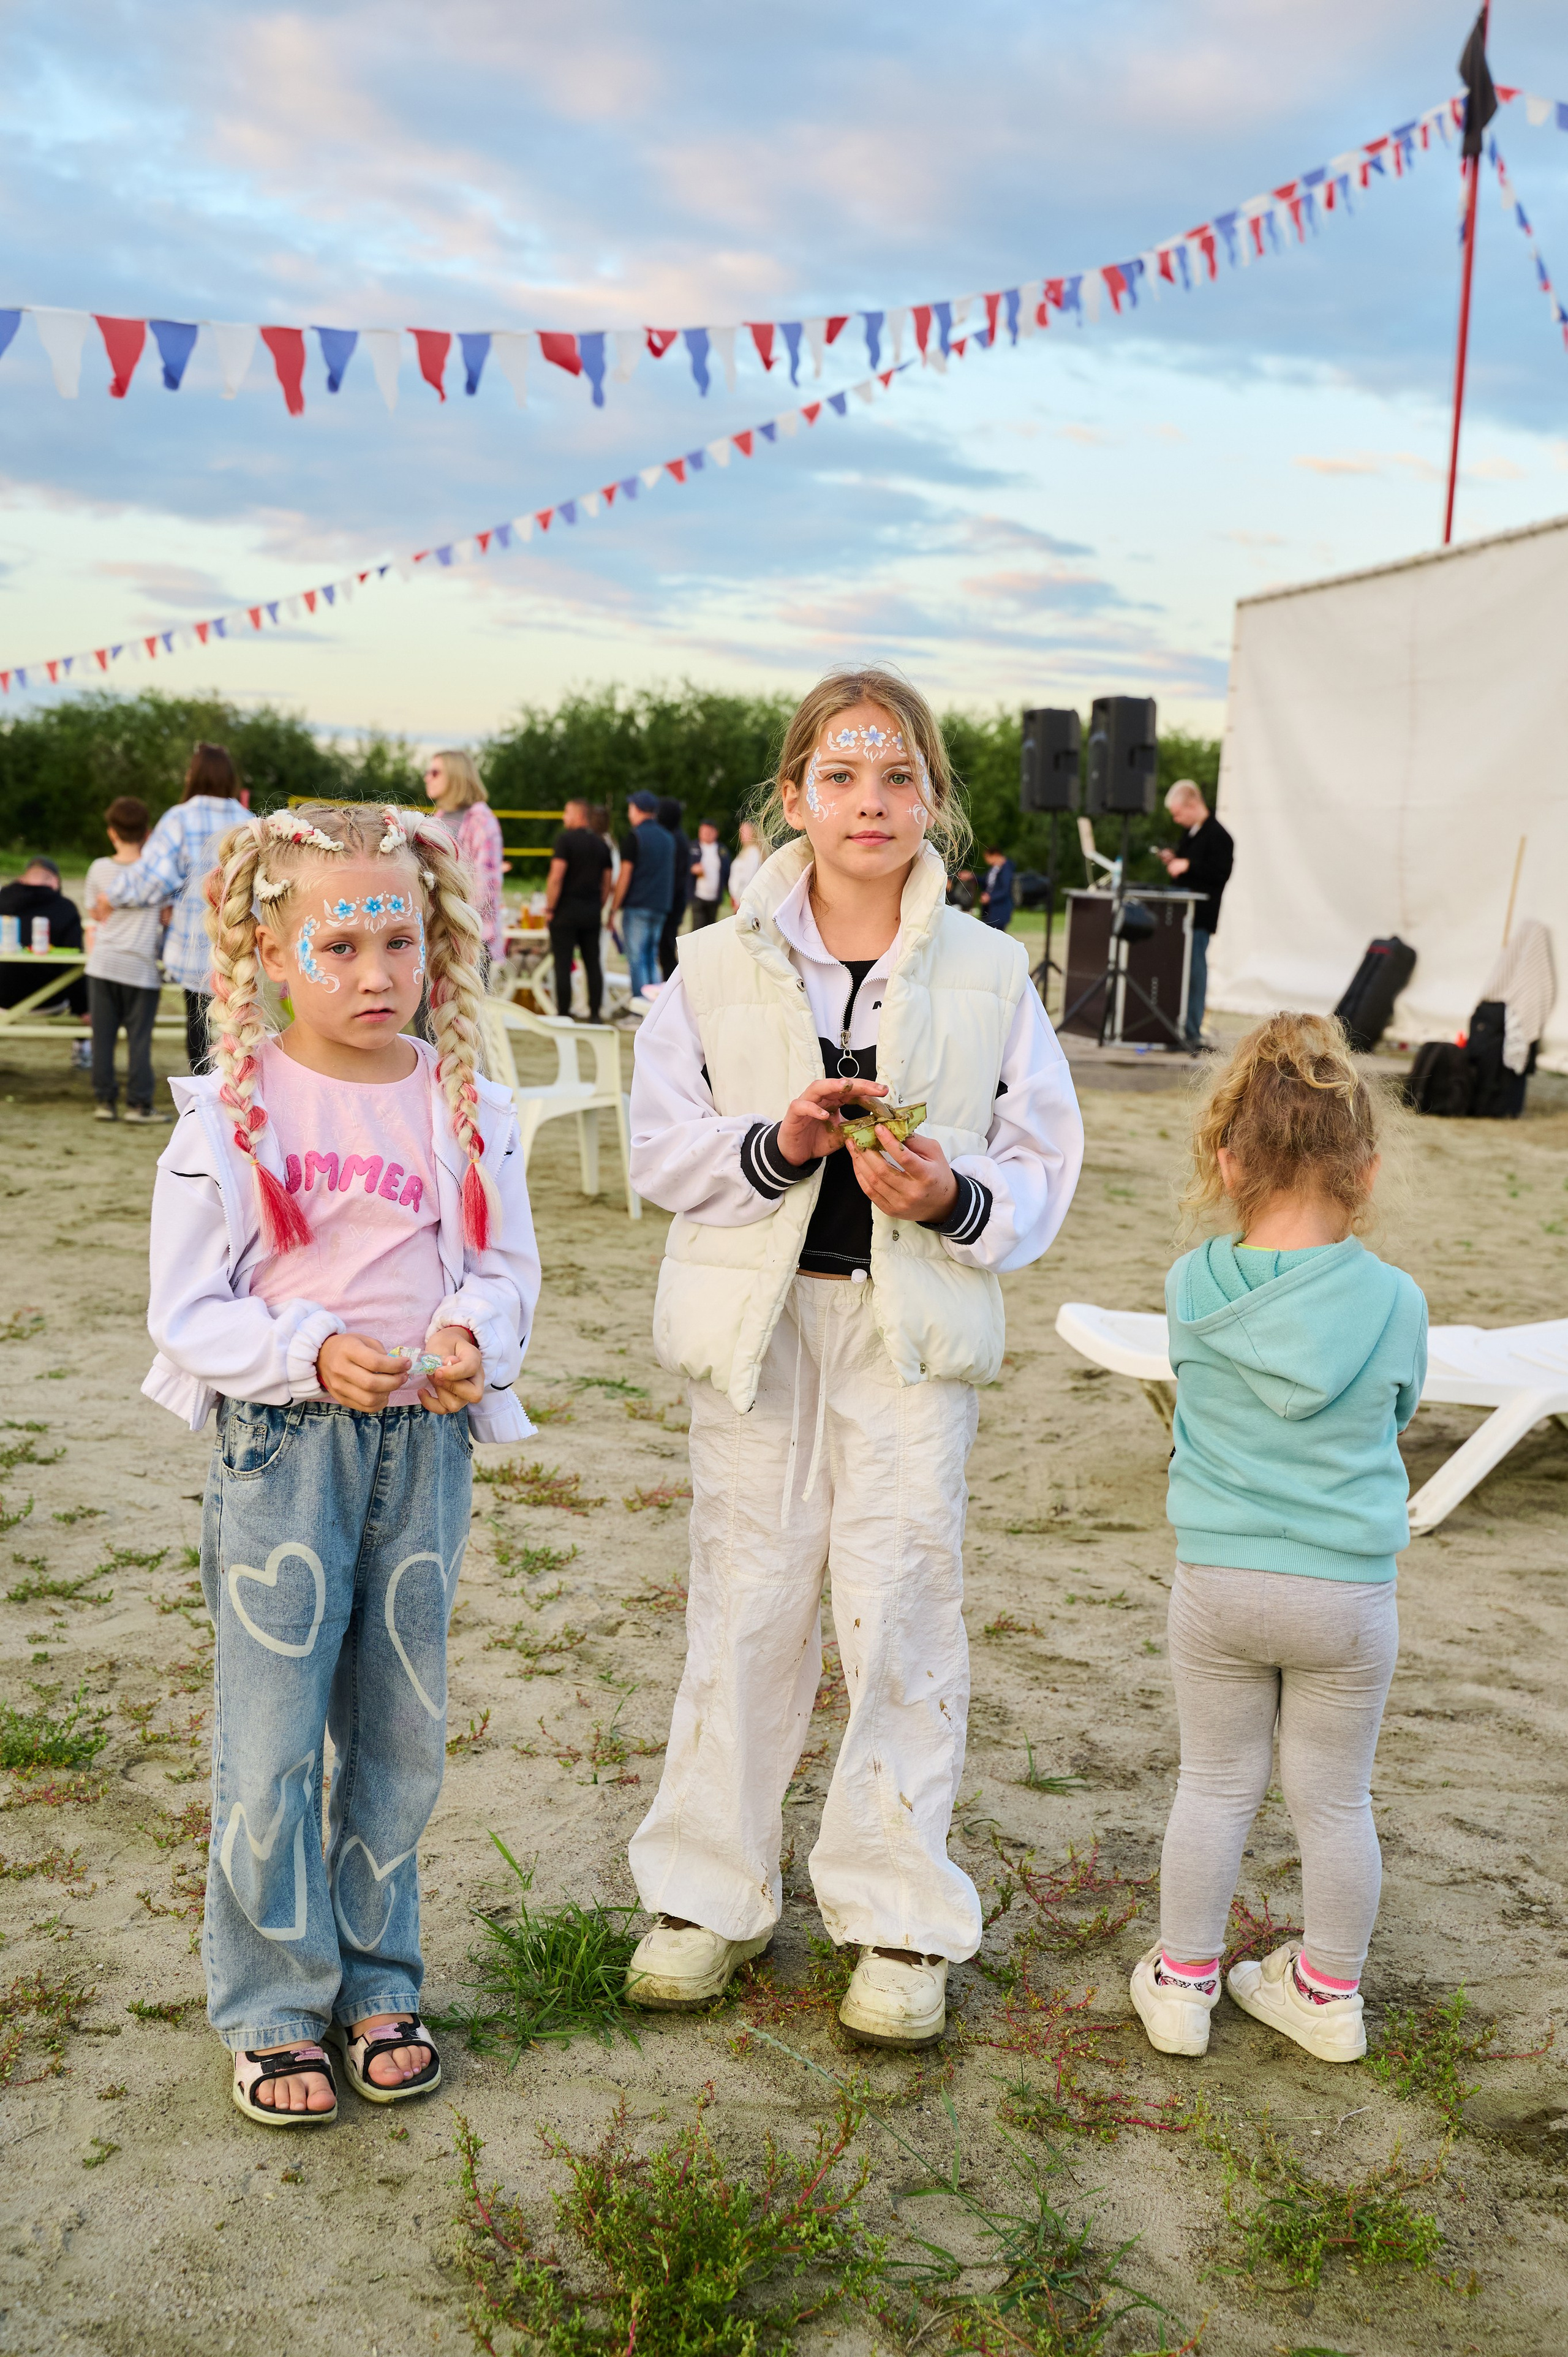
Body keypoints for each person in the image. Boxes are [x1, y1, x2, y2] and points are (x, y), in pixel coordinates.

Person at [623, 668, 1085, 2047]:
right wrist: (782, 1141)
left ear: (931, 799)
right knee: (746, 1600)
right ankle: (705, 1892)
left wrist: (950, 1195)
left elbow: (1041, 1164)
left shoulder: (992, 972)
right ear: (793, 797)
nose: (867, 804)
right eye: (840, 777)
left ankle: (893, 1910)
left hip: (907, 1341)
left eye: (895, 780)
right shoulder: (711, 965)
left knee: (901, 1603)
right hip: (757, 1340)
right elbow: (661, 1148)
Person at [142, 801, 540, 2127]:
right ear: (266, 950)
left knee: (399, 1734)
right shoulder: (228, 1115)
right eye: (341, 945)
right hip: (284, 1459)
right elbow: (188, 1311)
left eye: (400, 943)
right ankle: (269, 2002)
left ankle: (380, 1978)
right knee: (268, 1740)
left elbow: (504, 1272)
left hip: (421, 1453)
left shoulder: (464, 1101)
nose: (378, 975)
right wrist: (309, 1353)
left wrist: (474, 1333)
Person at [1129, 1013, 1426, 2067]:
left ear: (1226, 1157)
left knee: (1213, 1782)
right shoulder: (1395, 1302)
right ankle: (1328, 1993)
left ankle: (1181, 1979)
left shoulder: (1189, 1288)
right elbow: (1395, 1415)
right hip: (1345, 1592)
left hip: (1217, 1579)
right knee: (1335, 1795)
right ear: (1368, 1168)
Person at [92, 741, 248, 1074]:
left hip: (196, 942)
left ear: (193, 775)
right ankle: (235, 1087)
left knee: (197, 1026)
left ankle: (206, 1091)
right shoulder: (247, 821)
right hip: (239, 942)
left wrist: (111, 896)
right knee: (235, 1024)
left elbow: (154, 877)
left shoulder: (181, 818)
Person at [85, 798, 167, 1124]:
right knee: (139, 1041)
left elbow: (94, 912)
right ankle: (139, 1104)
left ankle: (105, 1102)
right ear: (148, 833)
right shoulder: (158, 874)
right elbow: (165, 916)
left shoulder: (98, 869)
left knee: (102, 1038)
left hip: (103, 964)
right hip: (141, 968)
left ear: (112, 833)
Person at [1156, 780, 1233, 1050]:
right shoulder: (1192, 834)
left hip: (1200, 918)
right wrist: (1175, 860)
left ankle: (1192, 1031)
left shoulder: (1219, 836)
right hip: (1182, 918)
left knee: (1195, 973)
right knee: (1181, 973)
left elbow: (1219, 872)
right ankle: (1178, 1026)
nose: (1177, 820)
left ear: (1192, 805)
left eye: (1178, 813)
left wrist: (1187, 865)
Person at [424, 750, 506, 963]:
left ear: (455, 775)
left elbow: (487, 885)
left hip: (471, 936)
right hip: (438, 936)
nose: (427, 777)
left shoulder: (481, 820)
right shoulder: (438, 818)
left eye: (435, 772)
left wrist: (455, 921)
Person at [545, 796, 613, 1020]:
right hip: (591, 913)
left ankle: (563, 1013)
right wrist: (598, 905)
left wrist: (550, 908)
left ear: (579, 815)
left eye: (567, 812)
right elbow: (607, 883)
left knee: (563, 964)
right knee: (593, 964)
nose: (564, 817)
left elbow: (556, 877)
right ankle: (595, 1014)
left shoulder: (565, 841)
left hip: (565, 912)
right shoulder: (602, 845)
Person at [0, 857, 86, 1020]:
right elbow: (74, 961)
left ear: (22, 879)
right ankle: (82, 1043)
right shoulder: (66, 908)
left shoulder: (2, 900)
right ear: (55, 882)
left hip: (3, 1003)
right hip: (51, 1003)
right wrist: (82, 1008)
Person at [612, 792, 675, 1003]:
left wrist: (614, 907)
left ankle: (639, 1006)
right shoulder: (668, 838)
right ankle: (655, 1008)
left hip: (638, 904)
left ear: (637, 810)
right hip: (660, 906)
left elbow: (625, 875)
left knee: (637, 958)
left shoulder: (635, 837)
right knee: (651, 958)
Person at [656, 795, 692, 980]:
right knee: (666, 947)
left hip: (671, 901)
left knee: (666, 948)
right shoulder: (679, 837)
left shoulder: (673, 839)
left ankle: (671, 987)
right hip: (676, 899)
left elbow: (675, 875)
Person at [688, 820, 731, 930]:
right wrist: (693, 869)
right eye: (704, 831)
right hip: (698, 895)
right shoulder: (693, 847)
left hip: (715, 897)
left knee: (711, 928)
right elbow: (684, 866)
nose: (707, 834)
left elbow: (727, 872)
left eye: (710, 831)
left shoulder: (722, 850)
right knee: (698, 928)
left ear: (716, 833)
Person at [728, 818, 762, 910]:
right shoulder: (745, 851)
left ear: (753, 831)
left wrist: (739, 900)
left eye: (745, 831)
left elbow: (748, 878)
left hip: (744, 901)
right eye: (741, 831)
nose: (742, 835)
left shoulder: (754, 853)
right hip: (739, 900)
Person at [979, 845, 1016, 931]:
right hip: (990, 909)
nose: (986, 860)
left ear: (995, 855)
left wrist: (990, 897)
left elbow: (1005, 889)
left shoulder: (1006, 869)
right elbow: (985, 881)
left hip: (1000, 909)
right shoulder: (995, 869)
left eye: (987, 857)